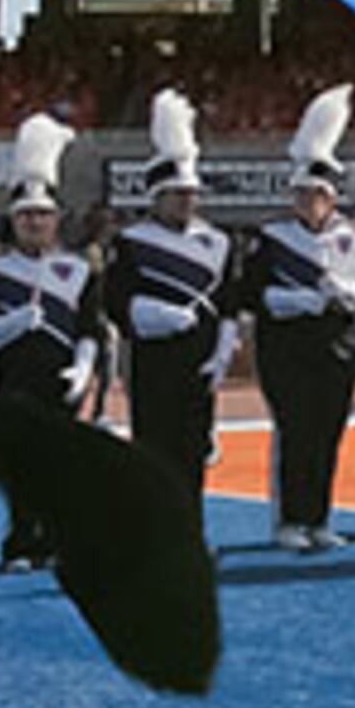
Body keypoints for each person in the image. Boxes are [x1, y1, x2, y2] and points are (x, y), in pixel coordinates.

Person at [247, 86, 355, 551]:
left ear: (332, 198)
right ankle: (289, 520)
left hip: (338, 350)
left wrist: (351, 292)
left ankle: (318, 517)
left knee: (327, 434)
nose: (308, 201)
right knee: (296, 433)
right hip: (289, 350)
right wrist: (298, 300)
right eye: (301, 193)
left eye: (316, 194)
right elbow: (252, 293)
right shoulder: (273, 236)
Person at [0, 113, 94, 567]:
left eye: (43, 215)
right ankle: (21, 543)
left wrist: (83, 368)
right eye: (26, 217)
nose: (35, 223)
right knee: (23, 467)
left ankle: (58, 542)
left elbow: (90, 328)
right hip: (16, 380)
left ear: (56, 220)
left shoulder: (78, 269)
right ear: (13, 222)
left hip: (60, 383)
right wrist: (16, 323)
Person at [108, 90, 235, 507]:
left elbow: (229, 301)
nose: (187, 200)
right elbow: (115, 301)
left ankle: (191, 536)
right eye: (177, 193)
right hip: (155, 365)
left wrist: (223, 351)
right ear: (156, 196)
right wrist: (147, 315)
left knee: (193, 454)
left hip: (199, 367)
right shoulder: (131, 241)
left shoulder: (218, 242)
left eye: (191, 193)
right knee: (155, 454)